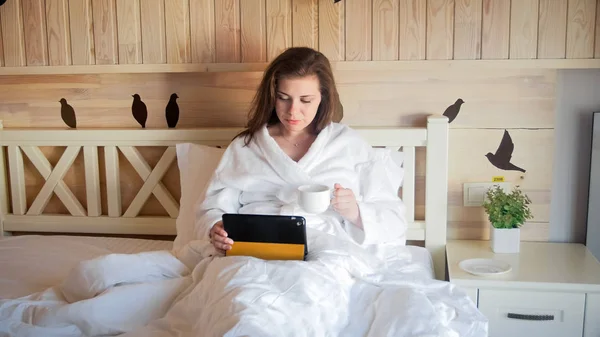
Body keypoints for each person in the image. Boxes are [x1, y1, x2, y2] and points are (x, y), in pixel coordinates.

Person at [195, 47, 407, 256]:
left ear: (323, 97)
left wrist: (355, 212)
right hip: (254, 250)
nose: (293, 111)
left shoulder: (348, 144)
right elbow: (213, 206)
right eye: (283, 98)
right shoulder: (246, 146)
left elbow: (392, 216)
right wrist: (215, 228)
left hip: (326, 250)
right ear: (272, 96)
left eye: (305, 100)